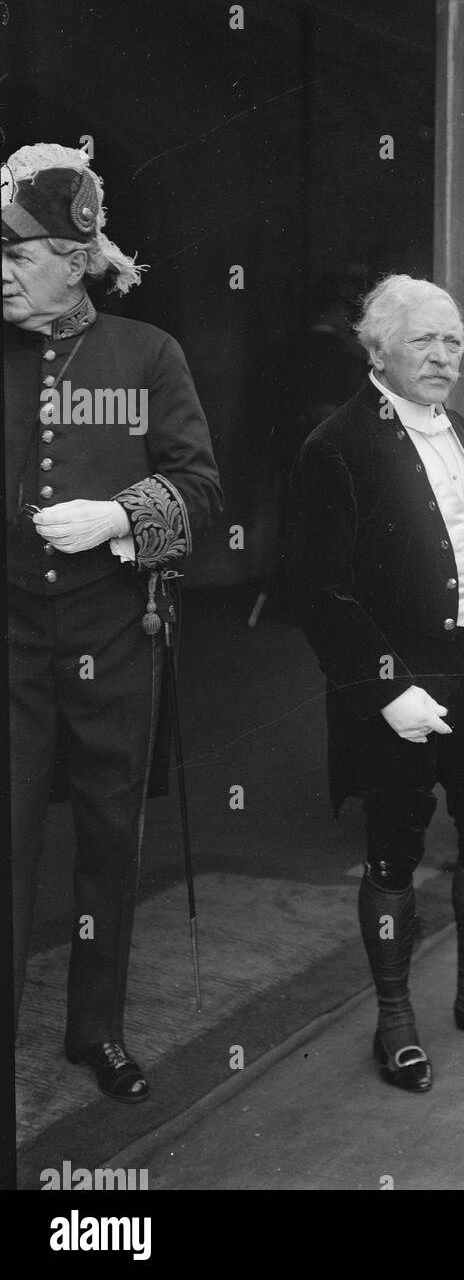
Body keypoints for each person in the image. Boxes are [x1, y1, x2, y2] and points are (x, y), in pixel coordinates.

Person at [286, 274, 464, 1094]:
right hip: (399, 684)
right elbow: (318, 592)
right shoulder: (336, 444)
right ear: (379, 350)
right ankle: (396, 1020)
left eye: (453, 342)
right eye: (424, 342)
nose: (444, 357)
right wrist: (387, 689)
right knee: (394, 848)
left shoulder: (461, 426)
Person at [4, 143, 222, 1102]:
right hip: (8, 634)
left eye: (17, 254)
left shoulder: (147, 354)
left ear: (73, 252)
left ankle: (97, 1028)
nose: (1, 271)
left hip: (114, 636)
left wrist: (120, 516)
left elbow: (204, 489)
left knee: (107, 836)